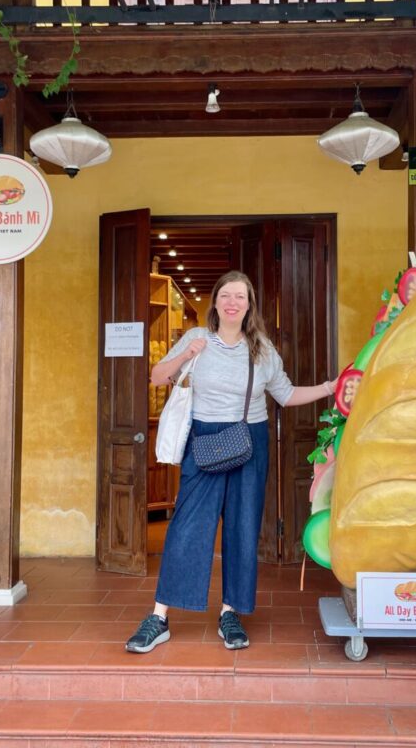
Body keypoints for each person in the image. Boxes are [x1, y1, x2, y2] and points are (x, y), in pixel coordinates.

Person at [126, 270, 336, 653]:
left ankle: (230, 613)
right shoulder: (196, 338)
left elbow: (285, 395)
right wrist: (187, 355)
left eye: (240, 296)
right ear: (216, 302)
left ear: (249, 304)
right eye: (226, 295)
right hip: (204, 439)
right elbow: (157, 376)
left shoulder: (262, 349)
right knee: (187, 526)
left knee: (242, 528)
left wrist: (328, 388)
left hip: (248, 442)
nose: (233, 302)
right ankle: (159, 616)